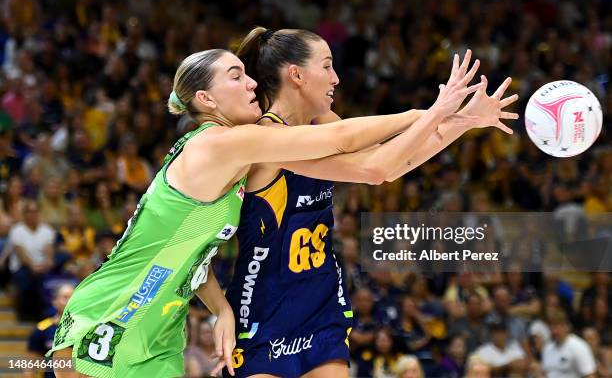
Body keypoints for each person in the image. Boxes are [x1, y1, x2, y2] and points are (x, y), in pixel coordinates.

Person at [47, 48, 474, 378]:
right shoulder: (216, 144)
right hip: (116, 308)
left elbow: (186, 251)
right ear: (205, 98)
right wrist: (431, 111)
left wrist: (222, 309)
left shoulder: (234, 166)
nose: (251, 83)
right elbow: (341, 137)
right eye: (236, 76)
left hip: (162, 330)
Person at [225, 27, 518, 378]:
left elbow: (395, 162)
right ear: (297, 75)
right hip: (263, 306)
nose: (335, 77)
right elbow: (374, 168)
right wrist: (431, 112)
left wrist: (463, 122)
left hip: (319, 298)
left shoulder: (324, 122)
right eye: (327, 66)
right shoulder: (265, 139)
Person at [25, 283, 74, 378]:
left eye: (73, 298)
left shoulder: (84, 328)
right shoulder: (42, 328)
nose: (70, 301)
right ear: (54, 301)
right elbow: (31, 363)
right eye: (65, 297)